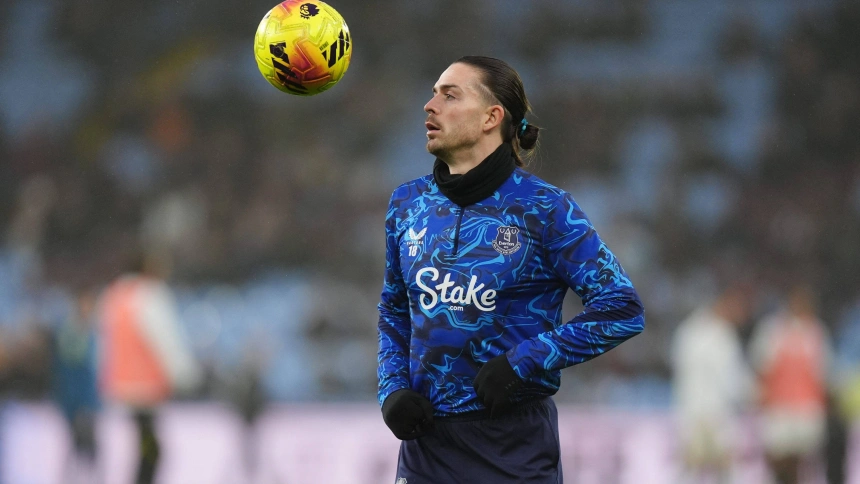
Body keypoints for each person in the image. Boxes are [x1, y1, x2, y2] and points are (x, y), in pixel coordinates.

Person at [376, 56, 645, 483]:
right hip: (426, 449)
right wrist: (392, 389)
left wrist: (525, 360)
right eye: (433, 94)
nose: (430, 105)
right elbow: (394, 309)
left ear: (491, 117)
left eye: (450, 95)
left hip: (513, 449)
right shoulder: (407, 203)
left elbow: (622, 309)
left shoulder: (546, 208)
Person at [97, 251, 201, 484]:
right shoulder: (150, 296)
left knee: (145, 444)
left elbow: (105, 343)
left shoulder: (114, 294)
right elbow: (166, 340)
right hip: (146, 386)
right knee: (150, 449)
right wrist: (185, 376)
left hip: (121, 384)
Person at [671, 281, 756, 484]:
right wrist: (751, 394)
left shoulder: (688, 330)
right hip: (716, 411)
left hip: (692, 408)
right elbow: (732, 377)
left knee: (695, 467)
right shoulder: (722, 335)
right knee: (719, 466)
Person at [749, 283, 832, 484]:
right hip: (779, 407)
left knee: (803, 459)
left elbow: (824, 373)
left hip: (806, 407)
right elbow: (761, 367)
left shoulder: (816, 332)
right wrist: (760, 396)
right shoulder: (772, 330)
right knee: (779, 457)